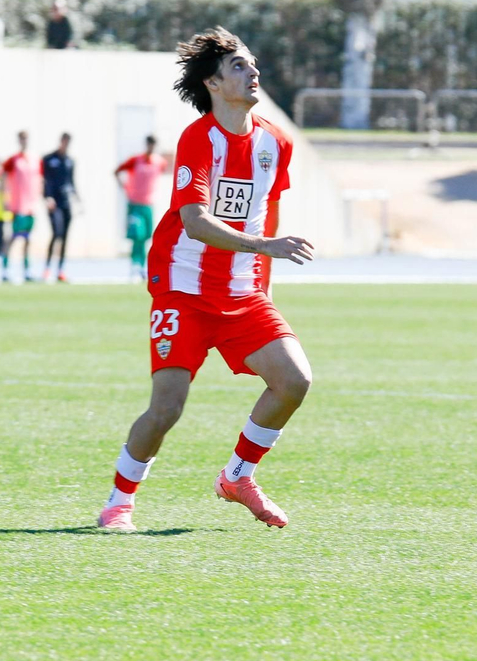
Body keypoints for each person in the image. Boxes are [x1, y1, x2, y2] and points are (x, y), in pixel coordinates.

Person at [96, 27, 316, 534]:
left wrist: (263, 280)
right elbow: (194, 221)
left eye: (253, 63)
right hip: (184, 288)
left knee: (294, 381)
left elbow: (266, 212)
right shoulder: (199, 139)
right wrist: (262, 248)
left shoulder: (275, 142)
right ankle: (119, 501)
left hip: (242, 293)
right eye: (239, 65)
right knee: (167, 408)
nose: (253, 70)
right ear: (214, 83)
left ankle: (238, 476)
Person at [115, 135, 168, 282]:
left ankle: (143, 267)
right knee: (136, 235)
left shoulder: (159, 162)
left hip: (148, 204)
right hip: (135, 203)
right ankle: (134, 266)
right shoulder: (136, 160)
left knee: (146, 236)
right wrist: (125, 187)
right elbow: (117, 170)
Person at [0, 130, 42, 284]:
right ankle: (5, 269)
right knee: (13, 238)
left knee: (27, 239)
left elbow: (39, 180)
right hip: (17, 206)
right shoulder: (13, 160)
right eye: (22, 139)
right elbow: (3, 176)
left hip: (31, 206)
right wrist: (5, 199)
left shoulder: (34, 159)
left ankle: (26, 270)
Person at [41, 132, 77, 284]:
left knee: (65, 236)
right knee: (56, 233)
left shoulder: (69, 161)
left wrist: (77, 198)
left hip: (66, 202)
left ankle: (61, 269)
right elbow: (45, 180)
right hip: (53, 202)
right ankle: (47, 268)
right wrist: (47, 197)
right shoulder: (49, 159)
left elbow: (71, 182)